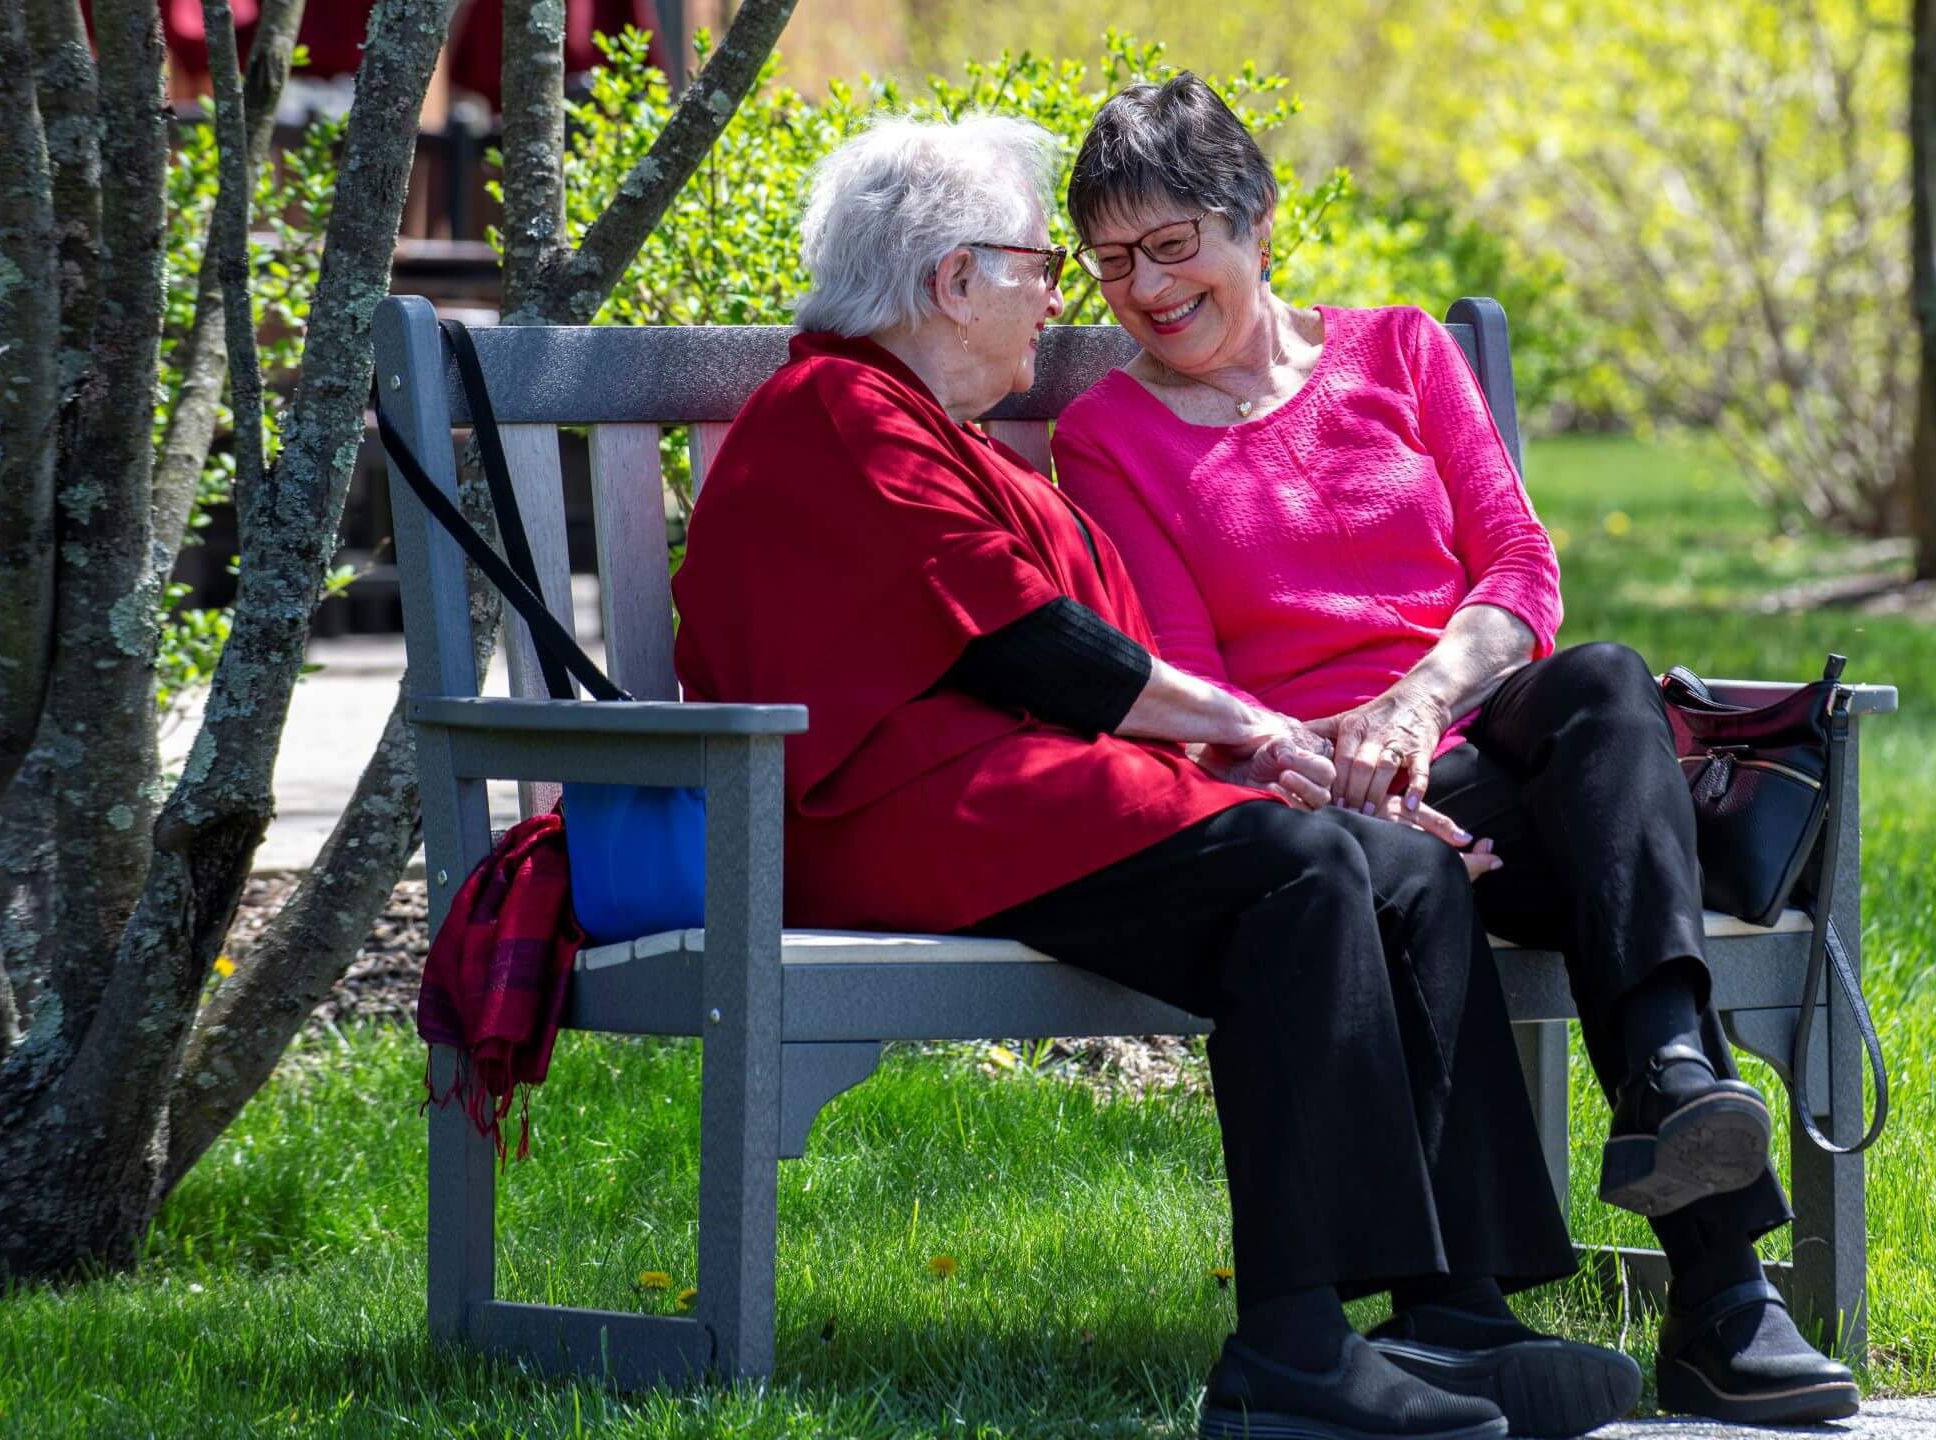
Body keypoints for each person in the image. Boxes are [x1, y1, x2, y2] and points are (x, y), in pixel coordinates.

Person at [668, 114, 1640, 1440]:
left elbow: (1099, 662)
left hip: (1022, 796)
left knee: (1402, 870)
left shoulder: (933, 427)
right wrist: (1272, 742)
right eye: (1040, 267)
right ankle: (1292, 1352)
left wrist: (1277, 765)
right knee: (1306, 876)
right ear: (955, 281)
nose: (1060, 300)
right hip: (891, 812)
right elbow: (1037, 641)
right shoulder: (839, 409)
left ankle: (1457, 1314)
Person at [1049, 78, 1861, 1427]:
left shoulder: (1402, 352)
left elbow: (1520, 569)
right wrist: (1360, 779)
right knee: (1596, 826)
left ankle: (1672, 1088)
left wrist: (1419, 708)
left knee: (1603, 684)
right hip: (1328, 799)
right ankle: (1721, 1299)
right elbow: (1199, 682)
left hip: (1491, 754)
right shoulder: (1109, 436)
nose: (1143, 286)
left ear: (1251, 220)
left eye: (1171, 244)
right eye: (1112, 263)